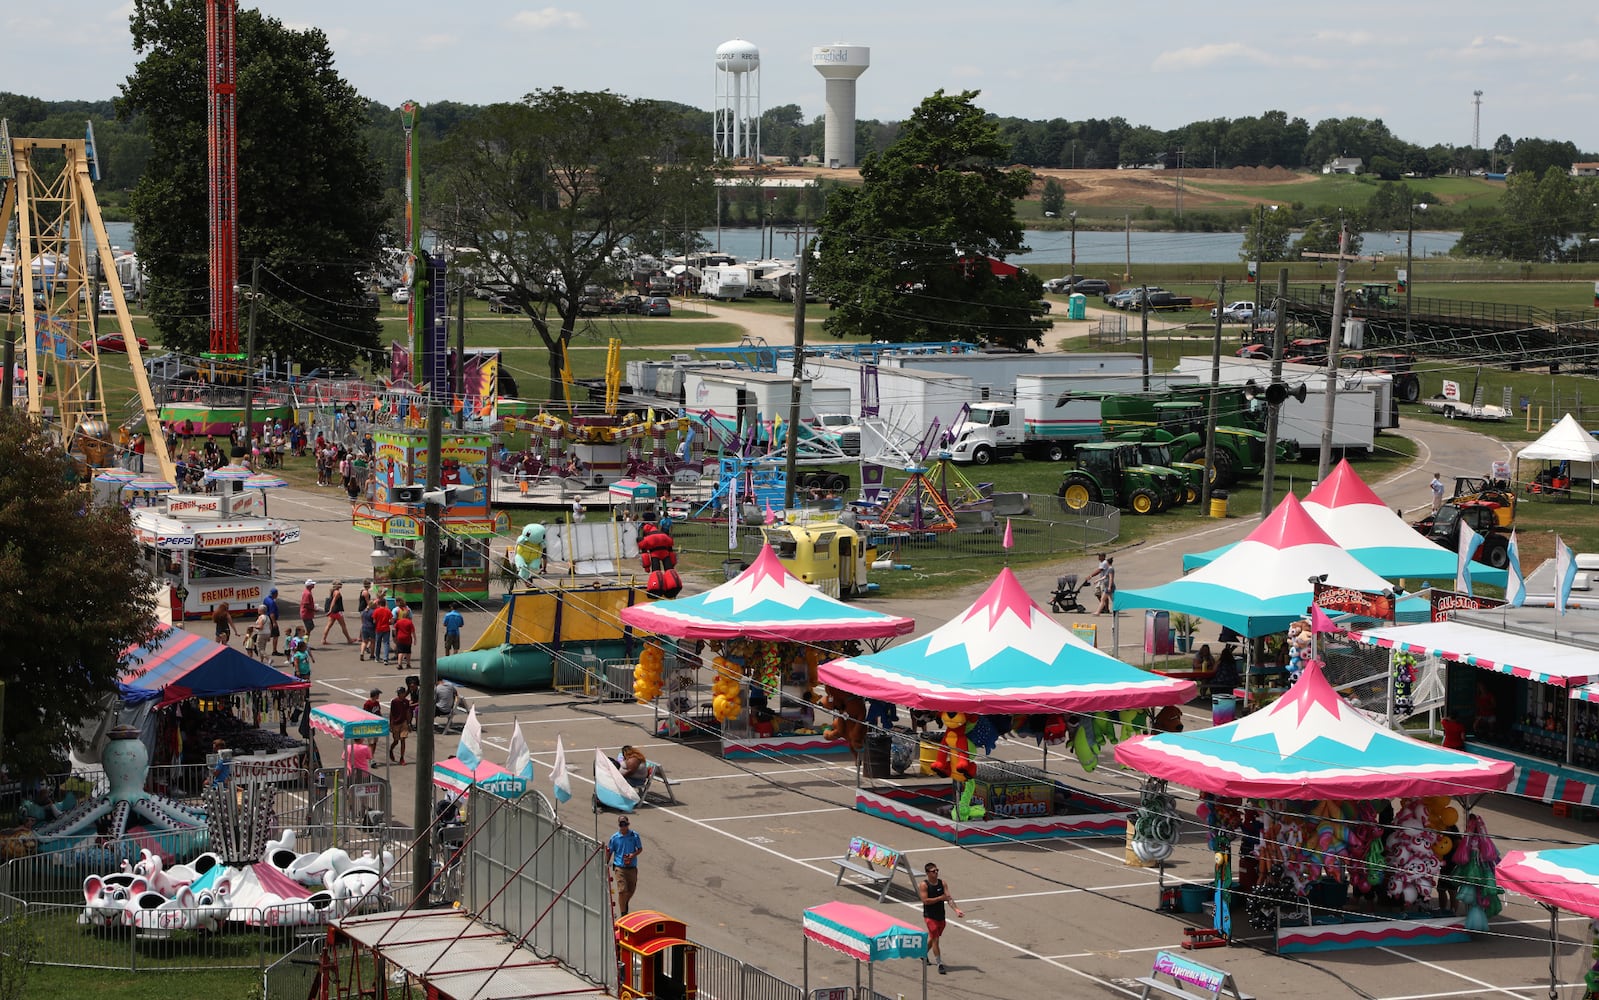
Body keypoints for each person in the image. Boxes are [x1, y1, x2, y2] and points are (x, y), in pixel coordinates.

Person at [918, 862, 963, 975]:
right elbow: (925, 901)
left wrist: (956, 909)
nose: (936, 872)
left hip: (940, 915)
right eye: (933, 871)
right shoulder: (924, 885)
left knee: (934, 938)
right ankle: (939, 963)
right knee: (936, 939)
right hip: (930, 916)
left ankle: (922, 953)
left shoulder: (942, 883)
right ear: (928, 873)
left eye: (937, 870)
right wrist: (939, 898)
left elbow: (948, 898)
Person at [607, 816, 643, 916]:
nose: (623, 827)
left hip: (632, 867)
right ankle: (623, 913)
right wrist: (606, 863)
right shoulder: (614, 838)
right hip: (620, 867)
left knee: (631, 890)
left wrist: (633, 855)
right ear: (619, 825)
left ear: (628, 824)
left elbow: (640, 849)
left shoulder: (634, 835)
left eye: (625, 824)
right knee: (622, 891)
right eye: (621, 825)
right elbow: (610, 851)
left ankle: (624, 903)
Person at [388, 686, 412, 765]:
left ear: (404, 693)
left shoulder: (406, 701)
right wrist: (391, 724)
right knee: (396, 741)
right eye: (398, 693)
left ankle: (402, 757)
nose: (399, 694)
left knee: (403, 740)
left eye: (400, 693)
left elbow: (408, 712)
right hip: (395, 723)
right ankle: (391, 750)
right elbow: (391, 713)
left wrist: (408, 723)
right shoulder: (394, 701)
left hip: (403, 722)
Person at [372, 596, 393, 665]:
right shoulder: (388, 610)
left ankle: (377, 657)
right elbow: (391, 620)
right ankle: (385, 659)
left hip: (378, 628)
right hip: (386, 628)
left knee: (378, 643)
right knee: (386, 643)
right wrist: (388, 623)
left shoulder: (376, 611)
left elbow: (374, 621)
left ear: (379, 604)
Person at [262, 587, 283, 657]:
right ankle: (274, 650)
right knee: (276, 635)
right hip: (271, 620)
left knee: (266, 633)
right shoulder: (272, 602)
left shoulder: (266, 599)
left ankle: (257, 643)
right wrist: (274, 622)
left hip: (266, 618)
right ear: (275, 594)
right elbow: (272, 613)